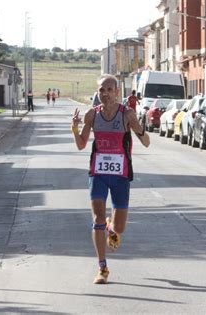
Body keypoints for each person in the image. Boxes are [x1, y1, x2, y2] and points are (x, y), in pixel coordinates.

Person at [71, 74, 150, 284]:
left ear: (117, 92)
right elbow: (81, 144)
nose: (105, 94)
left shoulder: (126, 114)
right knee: (96, 219)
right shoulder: (92, 115)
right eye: (101, 90)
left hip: (120, 175)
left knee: (120, 228)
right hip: (98, 173)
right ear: (97, 93)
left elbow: (147, 143)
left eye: (109, 90)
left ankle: (111, 227)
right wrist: (74, 128)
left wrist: (137, 126)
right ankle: (102, 268)